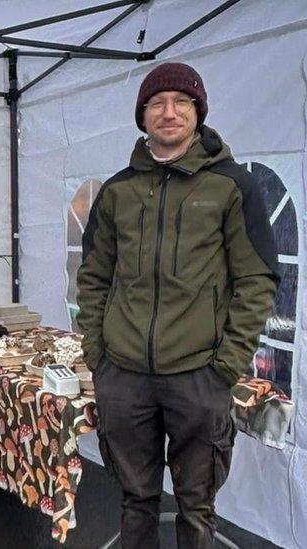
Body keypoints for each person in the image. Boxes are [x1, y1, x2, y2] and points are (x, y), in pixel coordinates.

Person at [76, 62, 279, 548]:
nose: (169, 112)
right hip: (123, 376)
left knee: (196, 505)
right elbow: (93, 277)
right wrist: (97, 356)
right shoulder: (118, 191)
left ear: (198, 112)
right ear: (142, 117)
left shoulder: (231, 186)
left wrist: (225, 365)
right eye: (157, 103)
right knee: (136, 497)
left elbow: (257, 279)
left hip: (198, 376)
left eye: (181, 102)